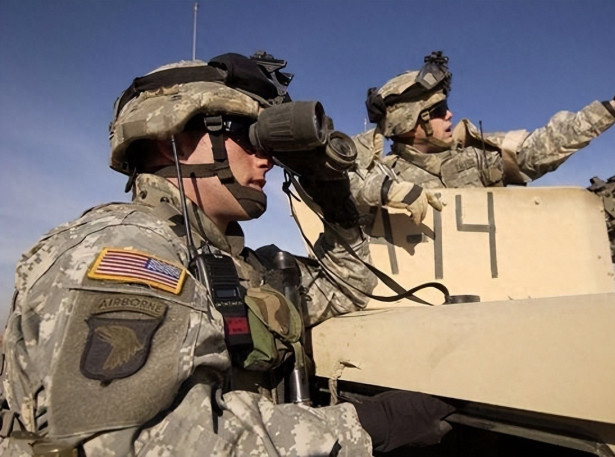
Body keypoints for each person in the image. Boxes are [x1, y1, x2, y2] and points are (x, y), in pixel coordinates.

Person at [0, 53, 454, 456]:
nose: (266, 159)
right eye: (248, 136)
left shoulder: (235, 266)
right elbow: (131, 445)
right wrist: (366, 426)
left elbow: (348, 284)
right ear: (169, 139)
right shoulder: (124, 252)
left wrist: (330, 191)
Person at [350, 51, 615, 223]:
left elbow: (542, 147)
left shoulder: (474, 160)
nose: (450, 115)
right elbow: (333, 187)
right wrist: (382, 191)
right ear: (413, 123)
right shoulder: (381, 175)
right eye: (438, 111)